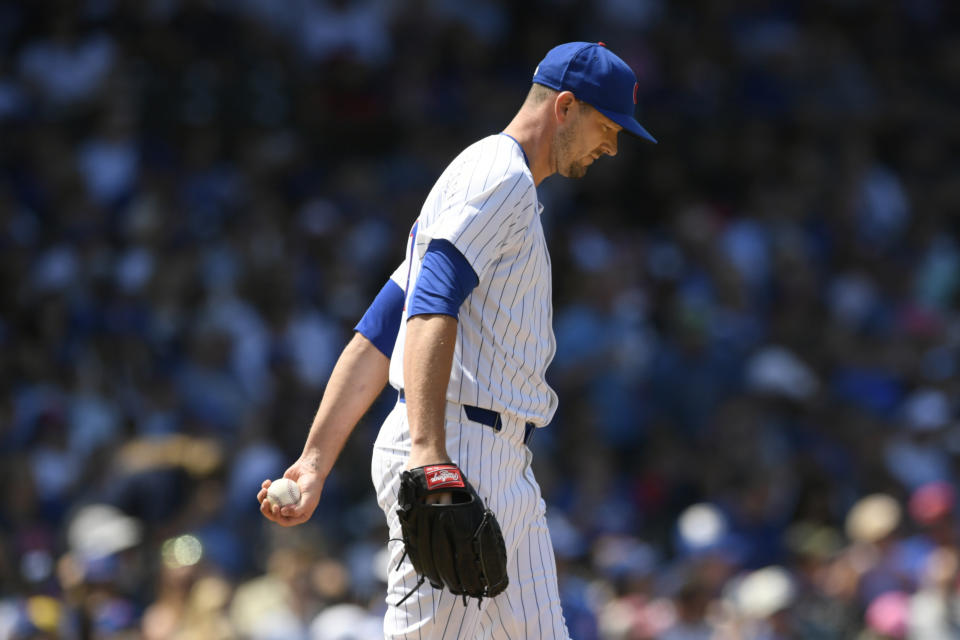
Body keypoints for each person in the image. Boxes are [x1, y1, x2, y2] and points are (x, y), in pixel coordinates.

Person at [258, 41, 656, 639]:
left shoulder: (486, 178)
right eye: (608, 125)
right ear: (566, 107)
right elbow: (426, 308)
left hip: (492, 451)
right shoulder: (501, 178)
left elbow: (379, 329)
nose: (613, 144)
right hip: (460, 445)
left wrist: (315, 461)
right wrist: (428, 452)